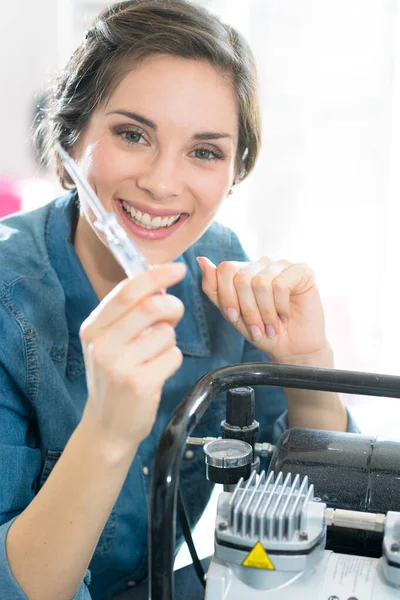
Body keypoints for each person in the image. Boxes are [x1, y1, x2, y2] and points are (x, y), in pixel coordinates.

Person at [0, 1, 358, 599]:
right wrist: (108, 432)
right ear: (69, 139)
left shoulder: (221, 261)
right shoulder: (9, 298)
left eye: (204, 151)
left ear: (233, 170)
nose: (164, 184)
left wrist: (309, 368)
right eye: (132, 135)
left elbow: (329, 522)